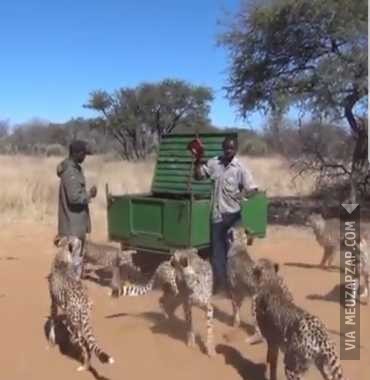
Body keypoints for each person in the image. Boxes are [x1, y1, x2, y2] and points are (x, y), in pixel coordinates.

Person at [190, 136, 259, 294]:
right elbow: (199, 176)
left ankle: (237, 286)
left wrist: (242, 196)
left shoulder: (240, 167)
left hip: (234, 216)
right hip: (217, 216)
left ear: (236, 149)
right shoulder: (214, 163)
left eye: (232, 148)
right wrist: (198, 160)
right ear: (223, 148)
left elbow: (253, 189)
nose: (229, 151)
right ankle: (221, 287)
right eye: (226, 148)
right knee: (217, 254)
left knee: (235, 255)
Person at [56, 140, 97, 278]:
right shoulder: (70, 172)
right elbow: (74, 198)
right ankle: (72, 288)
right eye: (84, 154)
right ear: (76, 153)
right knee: (73, 263)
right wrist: (89, 194)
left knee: (76, 260)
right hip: (72, 226)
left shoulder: (75, 169)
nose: (85, 157)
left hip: (76, 224)